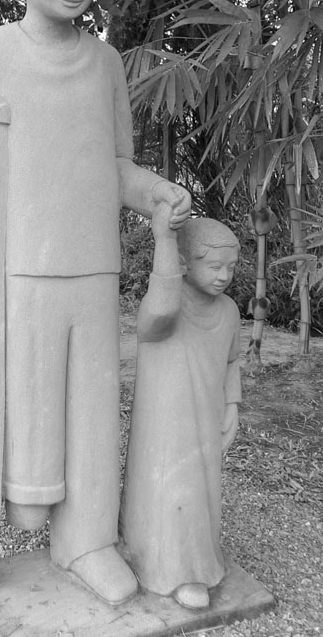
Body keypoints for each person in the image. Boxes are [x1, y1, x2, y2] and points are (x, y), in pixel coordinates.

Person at [0, 0, 191, 604]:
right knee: (30, 418)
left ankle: (87, 541)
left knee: (94, 404)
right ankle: (34, 513)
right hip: (18, 274)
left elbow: (116, 165)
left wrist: (156, 192)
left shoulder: (105, 62)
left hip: (94, 267)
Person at [121, 212, 241, 610]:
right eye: (215, 266)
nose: (224, 276)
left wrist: (232, 404)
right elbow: (157, 312)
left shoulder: (229, 312)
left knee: (203, 490)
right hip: (165, 421)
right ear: (185, 263)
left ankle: (199, 561)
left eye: (230, 267)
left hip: (207, 415)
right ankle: (176, 571)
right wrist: (165, 241)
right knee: (172, 488)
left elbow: (231, 361)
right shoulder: (166, 308)